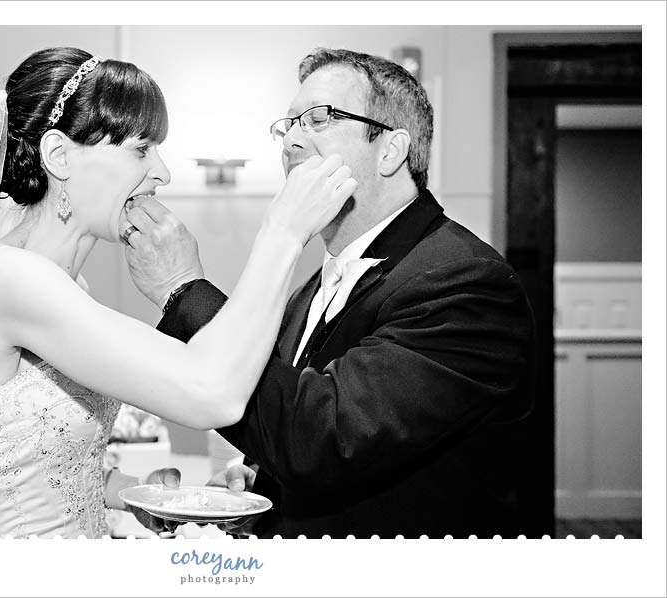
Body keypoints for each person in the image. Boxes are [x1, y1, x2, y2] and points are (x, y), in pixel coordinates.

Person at [0, 47, 357, 539]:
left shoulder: (66, 286)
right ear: (59, 156)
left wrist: (129, 493)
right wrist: (284, 232)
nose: (162, 172)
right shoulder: (8, 280)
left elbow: (25, 466)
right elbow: (212, 392)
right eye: (140, 149)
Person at [124, 48, 537, 539]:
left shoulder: (465, 282)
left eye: (319, 118)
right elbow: (293, 425)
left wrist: (183, 290)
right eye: (289, 123)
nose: (291, 141)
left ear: (390, 149)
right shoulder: (309, 290)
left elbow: (323, 440)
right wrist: (264, 478)